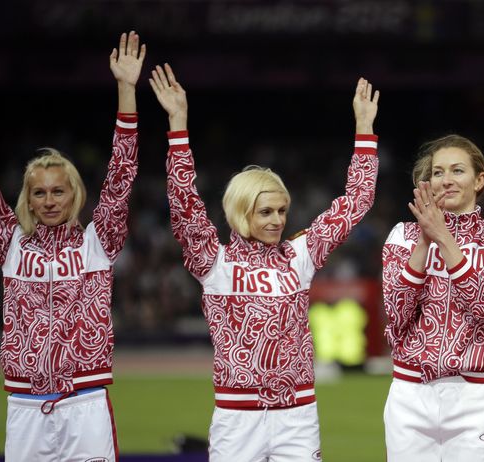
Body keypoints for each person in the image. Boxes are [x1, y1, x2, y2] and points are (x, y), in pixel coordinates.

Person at [149, 63, 380, 461]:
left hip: (298, 415)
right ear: (241, 213)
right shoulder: (213, 263)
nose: (276, 220)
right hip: (237, 419)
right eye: (265, 212)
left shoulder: (299, 256)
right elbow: (185, 204)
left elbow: (355, 203)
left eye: (281, 210)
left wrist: (364, 129)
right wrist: (178, 125)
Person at [0, 31, 145, 461]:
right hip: (25, 404)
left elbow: (121, 177)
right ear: (28, 198)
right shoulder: (10, 244)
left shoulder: (99, 242)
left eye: (58, 191)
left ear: (74, 193)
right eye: (39, 193)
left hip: (86, 401)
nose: (49, 200)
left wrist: (126, 89)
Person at [381, 135, 484, 461]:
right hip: (410, 391)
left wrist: (443, 238)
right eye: (437, 172)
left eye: (457, 171)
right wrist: (424, 239)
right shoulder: (401, 236)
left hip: (473, 395)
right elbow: (397, 313)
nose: (446, 180)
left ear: (479, 180)